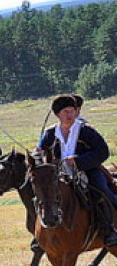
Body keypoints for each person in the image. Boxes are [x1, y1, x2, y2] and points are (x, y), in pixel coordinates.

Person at [38, 93, 117, 246]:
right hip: (59, 175)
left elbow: (102, 152)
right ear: (57, 114)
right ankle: (41, 233)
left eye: (72, 111)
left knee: (101, 190)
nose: (70, 115)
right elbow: (39, 150)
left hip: (88, 171)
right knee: (43, 194)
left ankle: (108, 230)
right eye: (66, 112)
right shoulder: (50, 133)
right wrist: (39, 155)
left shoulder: (86, 131)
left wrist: (78, 161)